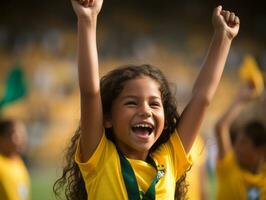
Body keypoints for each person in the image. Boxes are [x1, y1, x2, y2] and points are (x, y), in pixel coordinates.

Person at [53, 0, 240, 199]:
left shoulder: (169, 159)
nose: (146, 111)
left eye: (154, 104)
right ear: (107, 117)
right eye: (131, 103)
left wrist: (224, 37)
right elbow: (90, 92)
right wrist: (87, 19)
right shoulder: (99, 158)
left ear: (165, 119)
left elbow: (202, 98)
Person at [215, 84, 266, 200]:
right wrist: (240, 100)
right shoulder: (229, 166)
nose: (237, 147)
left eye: (243, 143)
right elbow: (221, 127)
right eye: (237, 142)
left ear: (261, 150)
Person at [0, 119, 31, 200]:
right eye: (16, 135)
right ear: (2, 138)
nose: (22, 139)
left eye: (23, 135)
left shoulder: (18, 162)